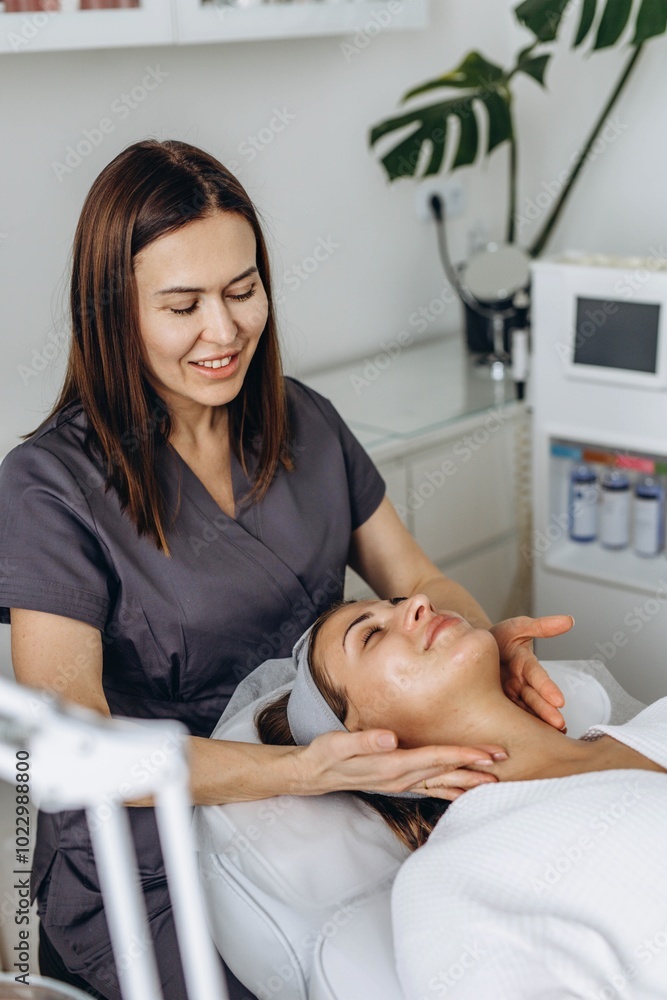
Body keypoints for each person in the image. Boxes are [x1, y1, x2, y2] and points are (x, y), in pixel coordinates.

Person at [0, 139, 569, 1000]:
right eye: (182, 305)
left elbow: (419, 580)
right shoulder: (50, 486)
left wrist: (480, 647)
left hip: (337, 806)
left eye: (242, 291)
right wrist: (307, 771)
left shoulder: (302, 422)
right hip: (156, 853)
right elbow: (80, 747)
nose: (224, 331)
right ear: (113, 313)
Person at [257, 595, 667, 997]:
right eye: (370, 636)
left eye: (397, 601)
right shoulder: (452, 880)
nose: (420, 601)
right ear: (362, 742)